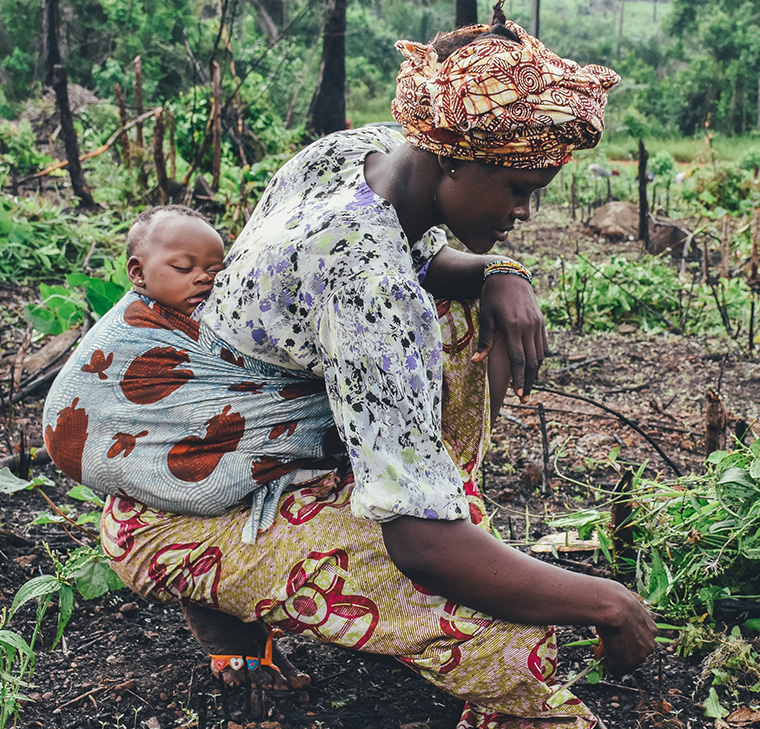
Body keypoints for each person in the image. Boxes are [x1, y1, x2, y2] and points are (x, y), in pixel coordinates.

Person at [43, 7, 656, 727]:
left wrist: (498, 269)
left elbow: (422, 256)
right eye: (519, 189)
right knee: (516, 645)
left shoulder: (360, 155)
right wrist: (608, 603)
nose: (526, 209)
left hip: (219, 443)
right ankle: (222, 571)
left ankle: (405, 496)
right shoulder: (366, 283)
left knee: (457, 311)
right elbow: (421, 545)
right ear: (454, 158)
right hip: (169, 511)